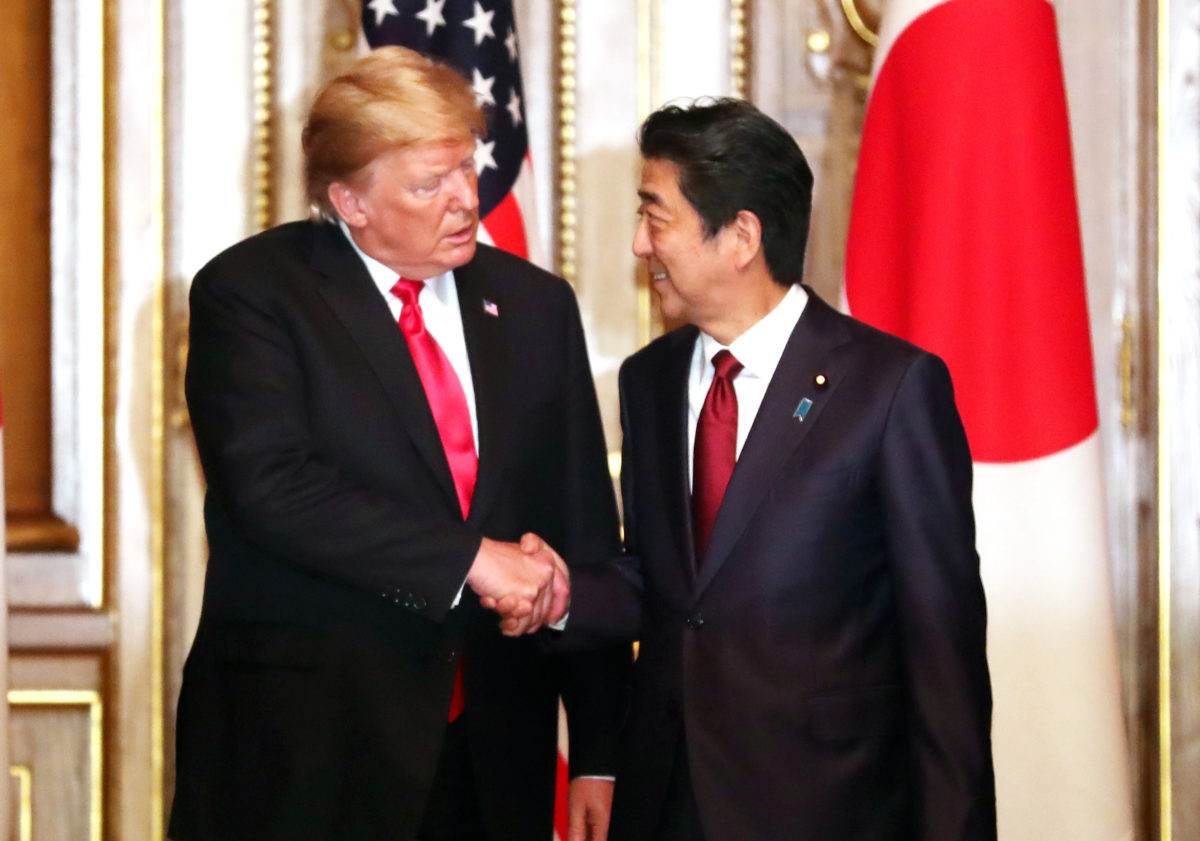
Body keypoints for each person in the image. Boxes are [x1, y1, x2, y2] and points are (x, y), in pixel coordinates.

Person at [168, 46, 628, 841]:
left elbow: (583, 526)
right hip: (312, 751)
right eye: (429, 183)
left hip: (493, 755)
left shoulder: (534, 305)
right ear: (350, 200)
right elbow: (275, 490)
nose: (465, 198)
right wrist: (472, 559)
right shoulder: (254, 295)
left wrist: (598, 751)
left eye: (466, 166)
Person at [529, 98, 996, 840]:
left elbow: (943, 655)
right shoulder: (649, 381)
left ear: (741, 236)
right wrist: (560, 595)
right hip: (669, 800)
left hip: (827, 807)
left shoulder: (889, 389)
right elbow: (667, 585)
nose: (639, 243)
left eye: (655, 217)